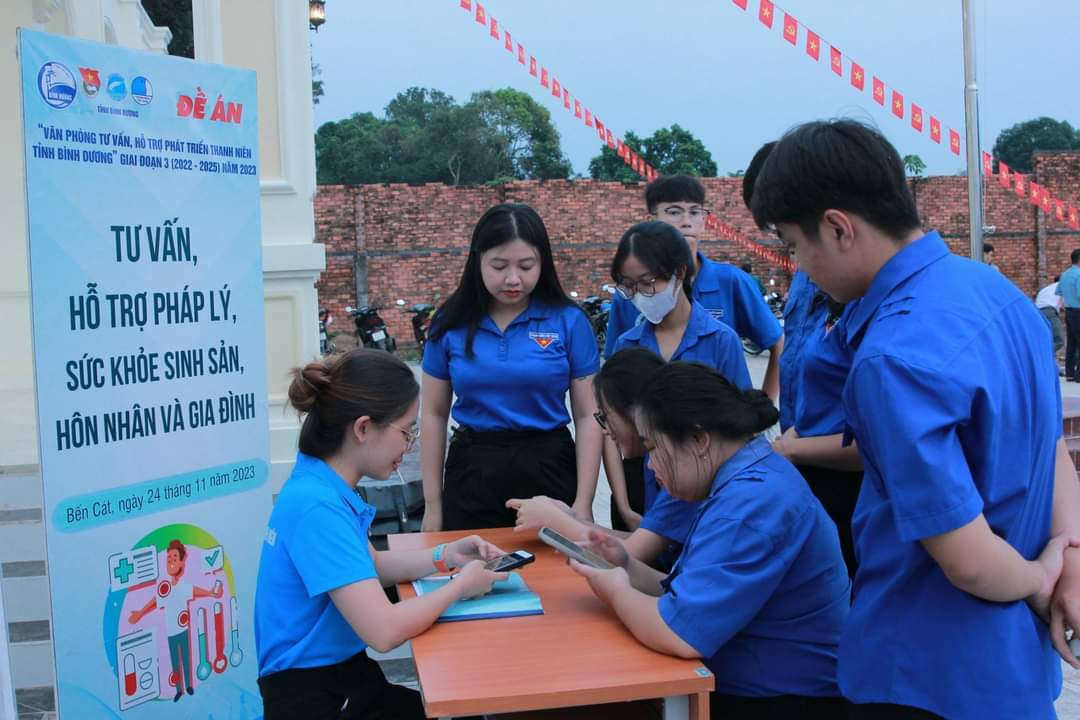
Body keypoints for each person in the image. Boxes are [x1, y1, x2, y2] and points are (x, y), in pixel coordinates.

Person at [751, 118, 1080, 719]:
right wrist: (1070, 555)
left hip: (926, 671)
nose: (800, 267)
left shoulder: (892, 359)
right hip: (1013, 668)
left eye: (794, 247)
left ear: (838, 228)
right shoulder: (998, 293)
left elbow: (969, 560)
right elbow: (1050, 448)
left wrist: (1040, 578)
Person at [570, 362, 851, 718]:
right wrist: (626, 566)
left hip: (780, 698)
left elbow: (678, 633)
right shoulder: (743, 479)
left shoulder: (750, 505)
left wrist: (615, 591)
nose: (651, 466)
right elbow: (688, 594)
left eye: (654, 447)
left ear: (698, 440)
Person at [254, 349, 508, 719]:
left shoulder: (321, 483)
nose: (410, 445)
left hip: (343, 677)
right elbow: (384, 632)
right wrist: (460, 586)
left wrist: (446, 555)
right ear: (362, 428)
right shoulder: (317, 506)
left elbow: (370, 565)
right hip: (314, 697)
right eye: (407, 431)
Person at [420, 203, 602, 531]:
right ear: (477, 261)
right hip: (473, 471)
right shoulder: (450, 323)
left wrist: (584, 502)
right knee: (471, 561)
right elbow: (433, 414)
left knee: (553, 563)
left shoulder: (569, 321)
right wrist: (433, 505)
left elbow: (589, 416)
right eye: (499, 266)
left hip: (548, 466)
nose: (513, 279)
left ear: (543, 263)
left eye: (526, 266)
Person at [742, 140, 863, 577]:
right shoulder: (806, 277)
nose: (791, 254)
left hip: (850, 475)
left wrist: (790, 447)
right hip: (804, 459)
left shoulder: (867, 294)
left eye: (789, 238)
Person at [605, 220, 751, 529]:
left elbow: (741, 430)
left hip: (705, 495)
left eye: (648, 282)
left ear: (680, 272)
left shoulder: (720, 341)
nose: (639, 294)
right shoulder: (626, 345)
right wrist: (623, 504)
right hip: (642, 489)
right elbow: (613, 431)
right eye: (629, 286)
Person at [507, 347, 697, 571]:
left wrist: (555, 521)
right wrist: (571, 520)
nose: (605, 430)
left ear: (634, 410)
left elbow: (632, 552)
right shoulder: (665, 458)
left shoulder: (682, 468)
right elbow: (638, 539)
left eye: (605, 416)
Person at [603, 175, 783, 400]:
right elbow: (615, 373)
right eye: (674, 212)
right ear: (651, 220)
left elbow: (777, 343)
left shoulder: (731, 283)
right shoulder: (631, 293)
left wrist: (763, 408)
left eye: (695, 212)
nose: (686, 221)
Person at [127, 539, 223, 702]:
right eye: (168, 558)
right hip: (171, 633)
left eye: (174, 558)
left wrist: (211, 593)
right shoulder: (165, 588)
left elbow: (195, 591)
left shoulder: (183, 586)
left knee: (186, 659)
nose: (171, 561)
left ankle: (189, 685)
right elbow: (155, 601)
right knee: (175, 663)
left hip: (183, 630)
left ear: (181, 562)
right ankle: (179, 689)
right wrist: (140, 613)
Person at [1059, 250, 1080, 381]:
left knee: (1071, 343)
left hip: (1069, 311)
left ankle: (1070, 373)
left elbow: (1059, 291)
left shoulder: (1065, 274)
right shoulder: (1079, 274)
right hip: (1078, 310)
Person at [1036, 274, 1064, 356]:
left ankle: (1041, 355)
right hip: (1049, 311)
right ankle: (1043, 355)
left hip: (1037, 313)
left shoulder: (1046, 289)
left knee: (1046, 339)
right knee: (1059, 340)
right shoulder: (1062, 286)